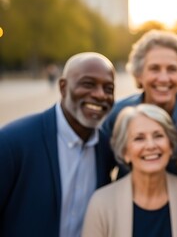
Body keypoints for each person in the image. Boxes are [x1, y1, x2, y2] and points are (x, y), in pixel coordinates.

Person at [0, 52, 117, 237]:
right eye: (88, 84)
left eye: (108, 88)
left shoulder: (107, 147)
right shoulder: (12, 142)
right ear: (63, 87)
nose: (100, 95)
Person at [82, 104, 177, 237]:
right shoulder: (101, 204)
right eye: (139, 138)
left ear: (170, 146)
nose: (151, 146)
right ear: (125, 152)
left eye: (158, 136)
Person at [101, 29, 177, 175]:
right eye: (154, 69)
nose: (163, 78)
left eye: (172, 69)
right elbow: (100, 169)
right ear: (138, 75)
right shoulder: (117, 114)